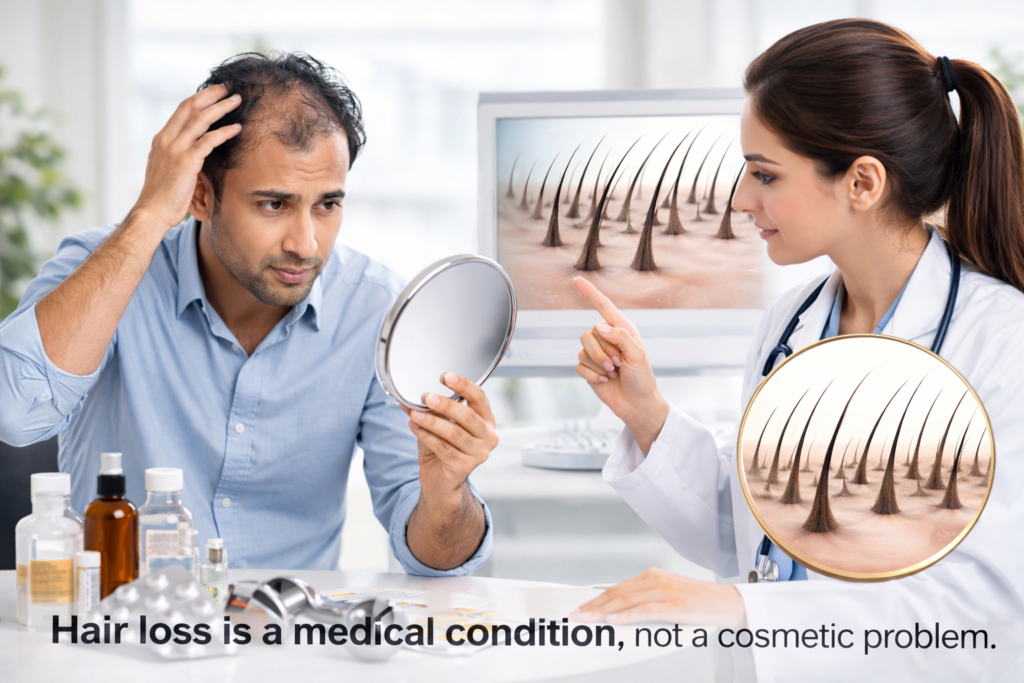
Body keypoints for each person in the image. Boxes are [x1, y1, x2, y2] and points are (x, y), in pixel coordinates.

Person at [569, 19, 1024, 680]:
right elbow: (759, 540)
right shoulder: (794, 322)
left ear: (863, 183)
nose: (740, 197)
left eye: (765, 174)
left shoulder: (999, 340)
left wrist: (741, 609)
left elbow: (986, 605)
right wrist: (647, 413)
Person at [0, 52, 497, 574]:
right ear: (200, 194)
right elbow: (15, 413)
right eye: (273, 205)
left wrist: (447, 496)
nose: (305, 244)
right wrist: (149, 215)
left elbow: (436, 562)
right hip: (122, 630)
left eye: (327, 204)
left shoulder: (376, 312)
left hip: (291, 637)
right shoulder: (104, 267)